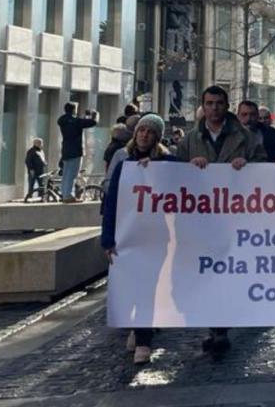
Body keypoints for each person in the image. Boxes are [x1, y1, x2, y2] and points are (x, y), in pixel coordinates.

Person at [176, 85, 265, 355]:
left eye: (219, 103)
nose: (214, 108)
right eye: (209, 103)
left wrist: (246, 166)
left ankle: (223, 324)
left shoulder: (247, 137)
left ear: (227, 106)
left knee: (231, 271)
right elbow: (174, 173)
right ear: (203, 106)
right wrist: (190, 166)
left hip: (236, 218)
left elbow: (264, 168)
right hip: (203, 219)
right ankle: (216, 326)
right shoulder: (190, 140)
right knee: (209, 273)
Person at [100, 114, 176, 366]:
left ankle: (144, 341)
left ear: (157, 137)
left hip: (156, 238)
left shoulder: (166, 162)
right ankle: (136, 326)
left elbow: (184, 177)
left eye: (150, 132)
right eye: (141, 130)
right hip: (128, 236)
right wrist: (107, 239)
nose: (144, 135)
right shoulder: (124, 165)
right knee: (132, 287)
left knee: (148, 287)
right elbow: (111, 204)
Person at [57, 102, 98, 203]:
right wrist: (95, 115)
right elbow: (92, 123)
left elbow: (78, 122)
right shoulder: (76, 121)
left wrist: (83, 117)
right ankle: (68, 195)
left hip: (66, 150)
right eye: (76, 109)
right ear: (73, 110)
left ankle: (64, 194)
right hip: (76, 150)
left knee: (66, 174)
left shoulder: (63, 121)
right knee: (72, 174)